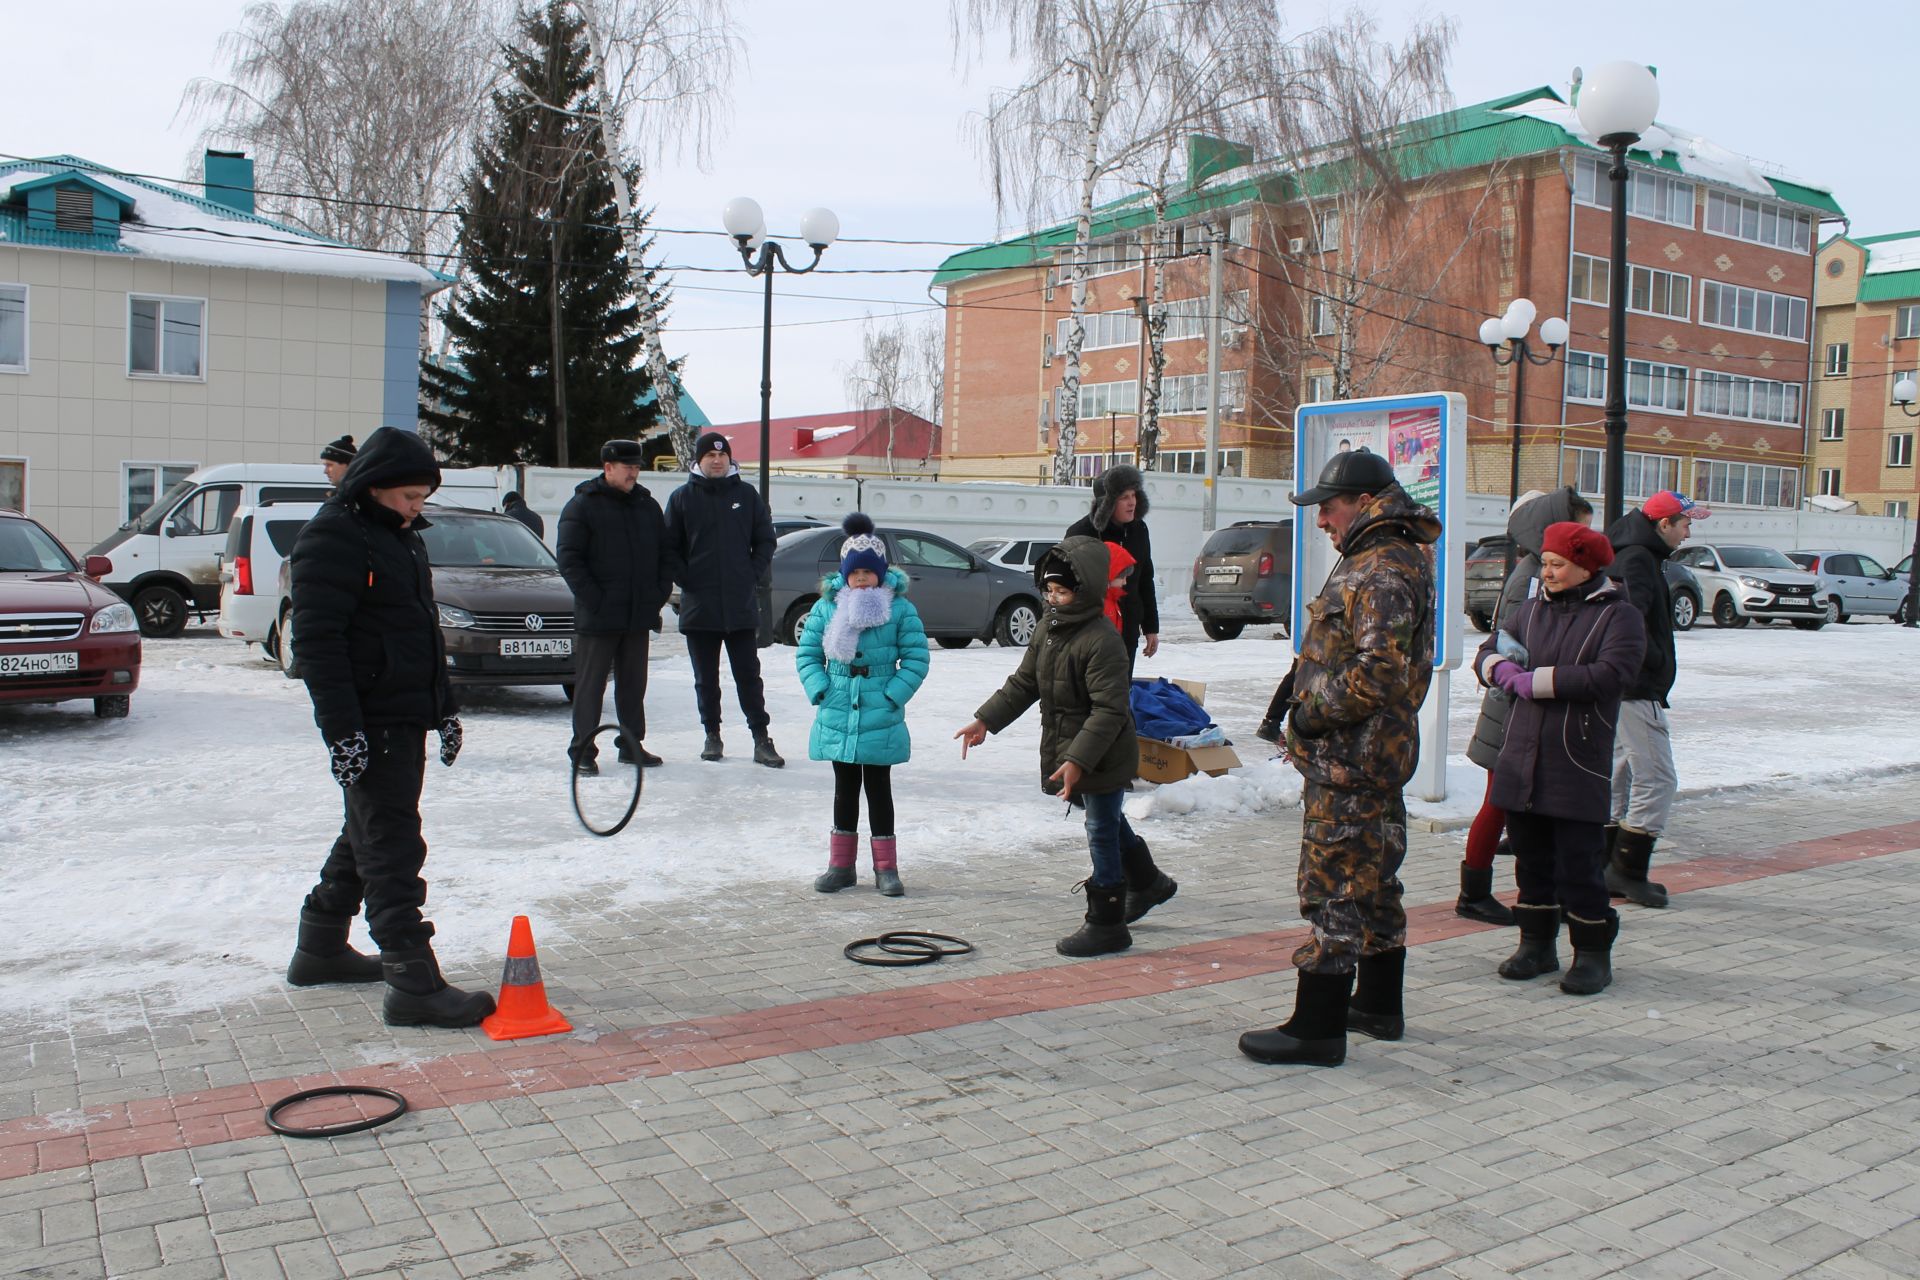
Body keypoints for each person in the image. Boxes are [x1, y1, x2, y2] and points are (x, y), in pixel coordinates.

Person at [286, 426, 495, 1029]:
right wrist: (342, 731)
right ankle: (411, 979)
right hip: (370, 717)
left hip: (405, 712)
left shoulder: (403, 538)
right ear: (373, 488)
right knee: (393, 843)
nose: (416, 510)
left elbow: (421, 632)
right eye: (408, 498)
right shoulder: (331, 538)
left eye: (422, 498)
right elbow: (317, 645)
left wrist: (444, 708)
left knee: (368, 831)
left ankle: (320, 947)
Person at [1239, 449, 1435, 1068]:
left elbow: (1378, 669)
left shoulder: (1381, 568)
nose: (1321, 520)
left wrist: (1310, 713)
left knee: (1333, 885)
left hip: (1354, 759)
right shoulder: (1378, 558)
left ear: (1363, 503)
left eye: (1328, 507)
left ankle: (1317, 1027)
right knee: (1374, 880)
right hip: (1371, 756)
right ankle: (1377, 1004)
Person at [957, 537, 1177, 954]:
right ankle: (1149, 881)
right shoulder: (1049, 629)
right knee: (1104, 820)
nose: (1053, 599)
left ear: (1087, 589)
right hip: (1069, 748)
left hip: (1104, 751)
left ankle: (1107, 921)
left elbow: (1110, 712)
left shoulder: (1103, 640)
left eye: (1062, 591)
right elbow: (1026, 682)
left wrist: (1078, 760)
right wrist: (986, 719)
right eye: (1049, 591)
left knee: (1099, 829)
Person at [1475, 521, 1645, 996]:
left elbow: (1613, 674)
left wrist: (1540, 681)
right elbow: (1490, 650)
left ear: (1585, 566)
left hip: (1576, 755)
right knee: (1531, 858)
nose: (1547, 572)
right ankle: (1536, 944)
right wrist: (1499, 668)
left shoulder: (1618, 616)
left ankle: (1592, 952)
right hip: (1522, 752)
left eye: (1558, 565)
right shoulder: (1530, 610)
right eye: (1545, 563)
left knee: (1578, 863)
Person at [1459, 486, 1595, 925]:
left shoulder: (1539, 570)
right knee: (1498, 803)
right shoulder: (1534, 576)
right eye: (1578, 530)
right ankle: (1473, 892)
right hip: (1514, 707)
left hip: (1524, 705)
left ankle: (1522, 889)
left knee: (1511, 804)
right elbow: (1512, 645)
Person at [796, 514, 930, 896]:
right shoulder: (827, 608)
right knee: (844, 789)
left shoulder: (899, 609)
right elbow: (807, 654)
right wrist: (820, 688)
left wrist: (893, 695)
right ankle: (841, 865)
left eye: (868, 573)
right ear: (844, 574)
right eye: (854, 573)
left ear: (881, 573)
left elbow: (917, 658)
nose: (861, 579)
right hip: (838, 708)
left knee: (878, 790)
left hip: (879, 713)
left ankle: (886, 868)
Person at [1603, 489, 1706, 909]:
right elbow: (1630, 623)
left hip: (1629, 685)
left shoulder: (1635, 554)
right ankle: (1627, 868)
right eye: (1684, 523)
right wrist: (1651, 662)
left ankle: (1606, 865)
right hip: (1636, 687)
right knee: (1658, 777)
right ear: (1663, 524)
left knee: (1620, 772)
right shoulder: (1637, 560)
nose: (1687, 532)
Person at [555, 439, 678, 773]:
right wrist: (595, 600)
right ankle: (582, 749)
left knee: (633, 686)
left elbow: (666, 554)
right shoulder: (582, 506)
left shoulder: (646, 506)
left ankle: (631, 743)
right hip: (598, 616)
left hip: (638, 613)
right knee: (591, 686)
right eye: (628, 468)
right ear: (608, 468)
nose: (634, 474)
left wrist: (658, 593)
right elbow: (569, 560)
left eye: (637, 468)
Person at [668, 431, 784, 767]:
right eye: (710, 457)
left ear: (729, 460)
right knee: (706, 678)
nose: (717, 461)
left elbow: (765, 540)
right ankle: (712, 735)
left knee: (748, 675)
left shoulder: (747, 496)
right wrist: (687, 579)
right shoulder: (682, 499)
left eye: (723, 456)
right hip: (699, 607)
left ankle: (761, 738)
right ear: (699, 461)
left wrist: (750, 573)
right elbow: (668, 548)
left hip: (739, 606)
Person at [1065, 464, 1157, 676]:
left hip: (1128, 630)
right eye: (1124, 496)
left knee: (1121, 693)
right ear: (1106, 503)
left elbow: (1145, 579)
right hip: (1092, 632)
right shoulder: (1081, 533)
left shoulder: (1139, 530)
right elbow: (1068, 586)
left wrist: (1151, 627)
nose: (1132, 502)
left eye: (1134, 495)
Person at [1101, 542, 1135, 634]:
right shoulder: (1099, 605)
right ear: (1111, 574)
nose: (1125, 582)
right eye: (1122, 577)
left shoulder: (1110, 599)